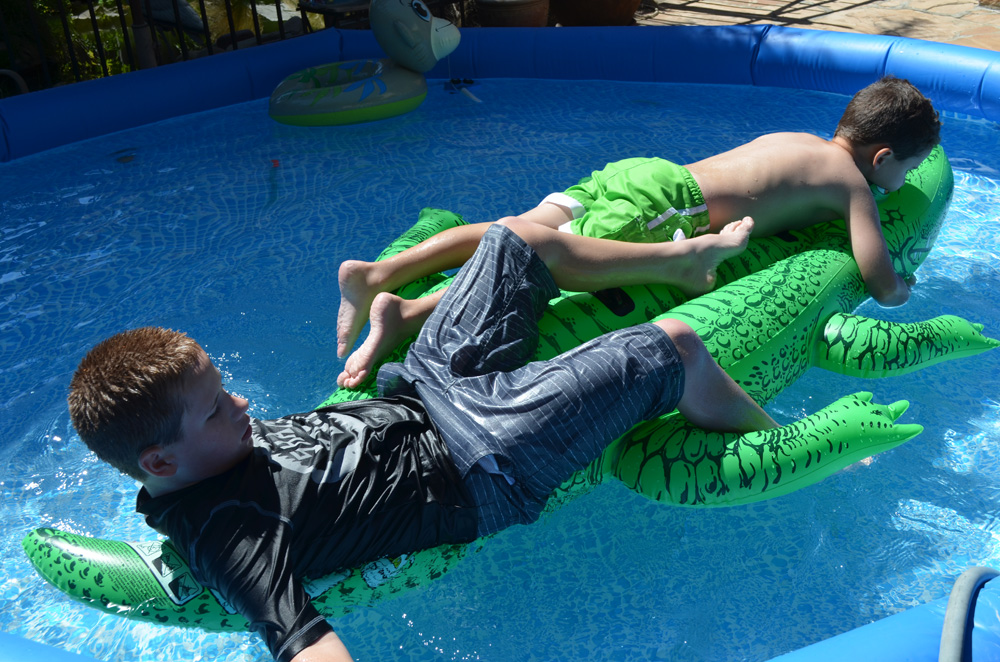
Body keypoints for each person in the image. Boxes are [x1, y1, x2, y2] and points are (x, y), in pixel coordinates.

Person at [68, 218, 777, 662]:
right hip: (479, 455)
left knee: (515, 241)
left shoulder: (198, 454)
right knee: (674, 347)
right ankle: (776, 445)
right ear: (161, 460)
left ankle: (680, 262)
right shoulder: (228, 530)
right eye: (218, 409)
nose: (241, 403)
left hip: (423, 385)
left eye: (226, 390)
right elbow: (303, 645)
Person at [336, 75, 941, 386]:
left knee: (514, 231)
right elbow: (879, 280)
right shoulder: (851, 181)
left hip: (645, 173)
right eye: (909, 169)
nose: (905, 180)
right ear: (883, 157)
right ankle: (410, 313)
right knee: (538, 261)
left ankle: (380, 272)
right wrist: (902, 285)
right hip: (669, 208)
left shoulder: (799, 140)